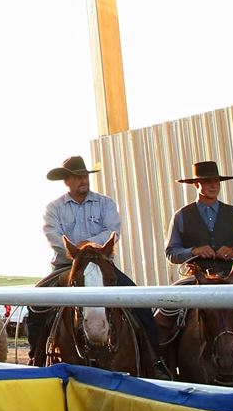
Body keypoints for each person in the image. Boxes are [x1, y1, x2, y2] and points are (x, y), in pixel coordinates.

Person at [26, 154, 157, 365]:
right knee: (35, 307)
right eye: (77, 177)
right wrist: (77, 251)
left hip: (103, 265)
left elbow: (112, 231)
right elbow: (53, 235)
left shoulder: (105, 204)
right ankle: (36, 358)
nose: (83, 180)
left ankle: (153, 361)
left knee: (141, 305)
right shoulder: (54, 208)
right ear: (66, 181)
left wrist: (86, 247)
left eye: (85, 176)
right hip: (67, 266)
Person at [165, 160, 233, 276]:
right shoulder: (180, 216)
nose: (213, 185)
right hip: (197, 277)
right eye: (207, 181)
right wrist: (193, 251)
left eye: (216, 181)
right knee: (172, 294)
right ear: (196, 184)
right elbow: (171, 253)